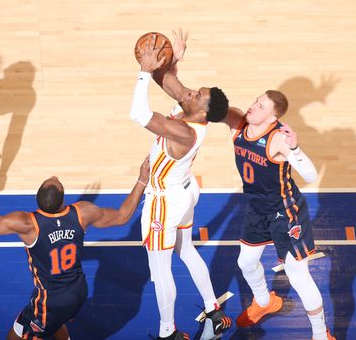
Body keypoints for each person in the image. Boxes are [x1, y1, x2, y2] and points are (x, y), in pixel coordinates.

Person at [0, 149, 153, 340]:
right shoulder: (82, 213)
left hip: (50, 302)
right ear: (63, 201)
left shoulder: (27, 224)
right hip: (78, 290)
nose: (54, 175)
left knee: (14, 338)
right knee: (56, 323)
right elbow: (122, 216)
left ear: (37, 200)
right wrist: (142, 179)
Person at [130, 32, 232, 340]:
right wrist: (172, 58)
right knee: (186, 250)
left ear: (201, 110)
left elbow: (138, 114)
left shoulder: (185, 131)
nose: (187, 94)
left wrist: (145, 72)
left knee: (160, 268)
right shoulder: (195, 111)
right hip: (185, 192)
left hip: (164, 201)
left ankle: (167, 333)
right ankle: (213, 311)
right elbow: (171, 81)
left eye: (194, 95)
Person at [222, 91, 335, 340]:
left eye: (261, 106)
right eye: (254, 101)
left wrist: (295, 148)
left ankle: (320, 334)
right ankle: (264, 301)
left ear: (273, 116)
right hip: (257, 209)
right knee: (246, 262)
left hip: (286, 213)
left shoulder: (279, 138)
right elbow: (216, 109)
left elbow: (311, 176)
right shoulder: (240, 127)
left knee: (297, 274)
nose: (253, 107)